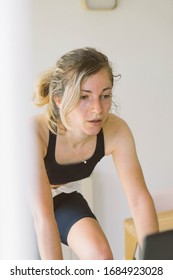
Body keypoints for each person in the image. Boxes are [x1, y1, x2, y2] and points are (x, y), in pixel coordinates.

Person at [32, 47, 159, 260]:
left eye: (105, 95)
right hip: (12, 204)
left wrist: (155, 262)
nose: (98, 109)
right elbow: (42, 216)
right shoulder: (35, 134)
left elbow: (138, 199)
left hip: (59, 199)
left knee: (101, 258)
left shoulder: (116, 131)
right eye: (84, 97)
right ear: (59, 99)